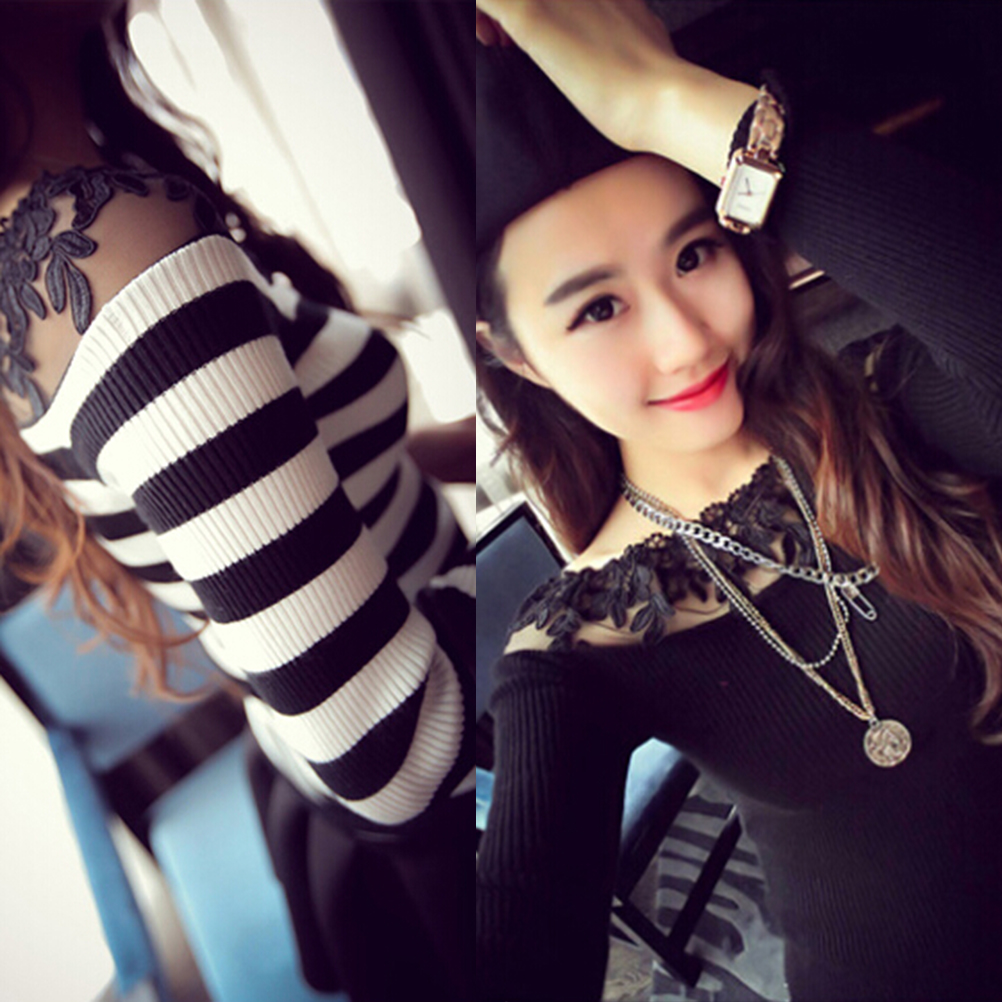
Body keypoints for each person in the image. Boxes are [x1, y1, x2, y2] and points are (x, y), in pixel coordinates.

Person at [474, 2, 1002, 1000]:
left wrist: (668, 100)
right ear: (516, 356)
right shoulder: (581, 646)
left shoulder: (886, 401)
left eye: (692, 255)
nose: (685, 340)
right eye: (597, 307)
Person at [0, 3, 474, 1000]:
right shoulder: (110, 253)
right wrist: (542, 573)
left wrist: (491, 450)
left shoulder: (51, 246)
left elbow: (306, 470)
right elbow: (394, 754)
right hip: (471, 801)